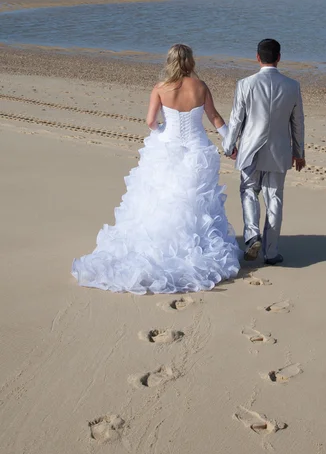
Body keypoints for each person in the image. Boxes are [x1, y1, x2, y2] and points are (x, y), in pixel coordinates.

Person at [72, 44, 240, 294]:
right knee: (193, 201)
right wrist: (229, 143)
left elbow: (151, 121)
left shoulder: (160, 89)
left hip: (167, 147)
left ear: (170, 61)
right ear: (190, 62)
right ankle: (193, 247)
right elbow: (214, 117)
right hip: (196, 149)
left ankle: (162, 245)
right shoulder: (200, 86)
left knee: (162, 198)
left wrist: (161, 131)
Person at [223, 39, 305, 265]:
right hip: (279, 150)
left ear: (257, 57)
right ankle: (271, 252)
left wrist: (229, 145)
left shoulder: (245, 84)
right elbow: (297, 122)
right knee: (274, 198)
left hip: (251, 148)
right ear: (279, 57)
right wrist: (299, 152)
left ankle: (252, 236)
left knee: (249, 190)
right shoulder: (292, 85)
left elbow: (236, 118)